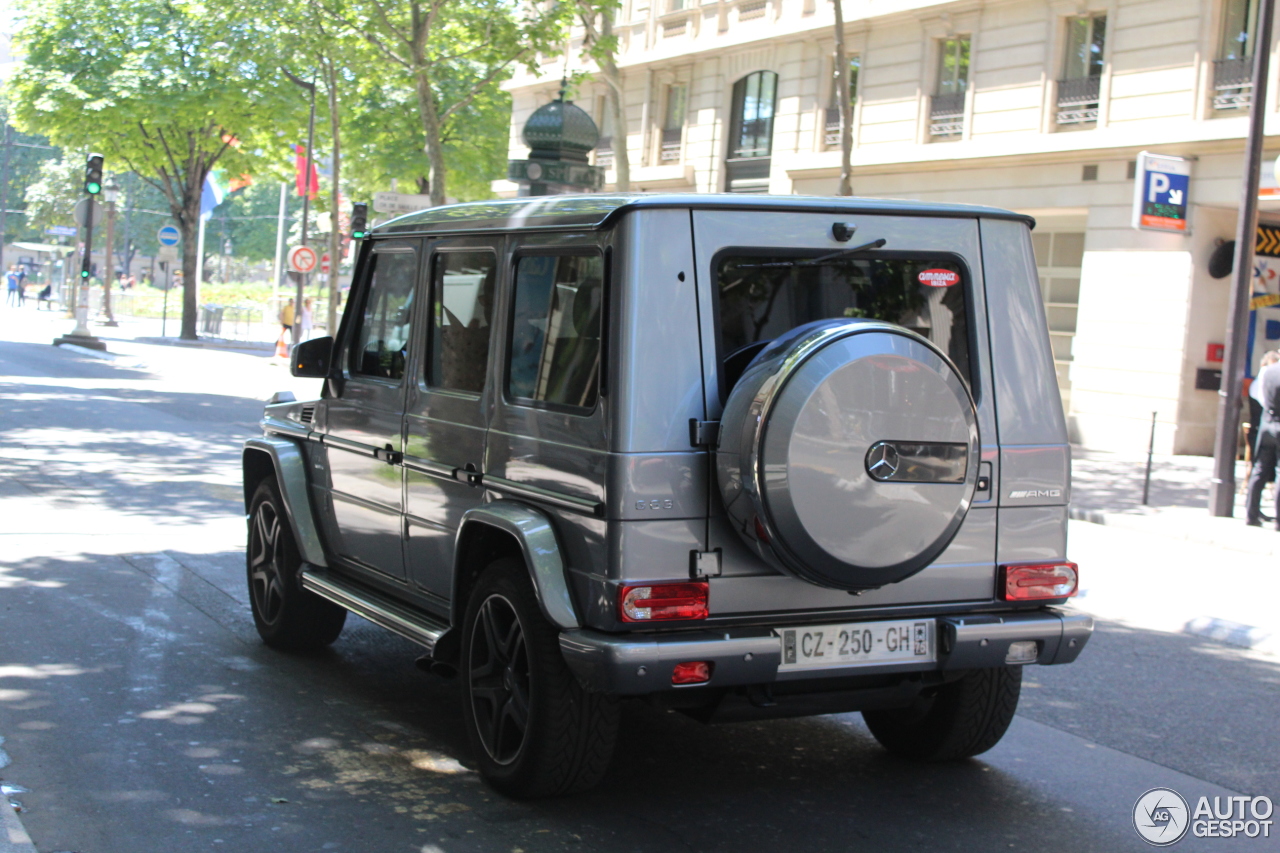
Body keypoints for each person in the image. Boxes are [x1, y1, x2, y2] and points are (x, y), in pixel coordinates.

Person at [1246, 353, 1280, 527]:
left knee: (1259, 469)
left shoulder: (1268, 372)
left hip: (1267, 424)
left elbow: (1263, 400)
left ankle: (1251, 515)